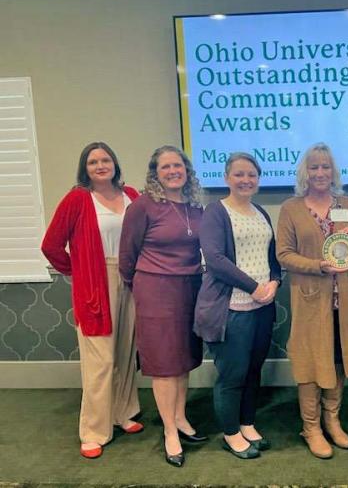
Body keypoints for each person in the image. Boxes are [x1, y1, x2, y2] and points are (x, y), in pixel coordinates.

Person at [41, 141, 143, 459]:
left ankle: (123, 413)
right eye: (93, 162)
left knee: (126, 351)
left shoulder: (133, 196)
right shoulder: (77, 199)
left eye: (105, 160)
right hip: (96, 284)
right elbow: (51, 245)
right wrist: (79, 271)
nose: (100, 166)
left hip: (132, 279)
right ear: (85, 168)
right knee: (101, 361)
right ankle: (94, 430)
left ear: (115, 163)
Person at [277, 142, 348, 459]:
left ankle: (332, 419)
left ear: (333, 171)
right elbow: (284, 255)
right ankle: (311, 427)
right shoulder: (291, 208)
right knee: (310, 362)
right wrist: (318, 265)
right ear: (306, 172)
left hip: (345, 300)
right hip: (310, 300)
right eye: (314, 167)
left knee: (339, 357)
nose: (320, 172)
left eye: (325, 166)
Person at [119, 145, 208, 468]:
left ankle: (181, 418)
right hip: (156, 290)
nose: (173, 171)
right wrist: (142, 286)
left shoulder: (197, 207)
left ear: (187, 170)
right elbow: (127, 257)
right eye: (165, 167)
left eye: (178, 165)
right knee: (165, 363)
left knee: (183, 359)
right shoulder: (143, 206)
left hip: (191, 288)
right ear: (155, 173)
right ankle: (170, 430)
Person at [194, 153, 281, 460]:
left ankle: (247, 422)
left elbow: (273, 259)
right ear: (226, 177)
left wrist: (274, 282)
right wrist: (254, 287)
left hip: (262, 307)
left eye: (252, 175)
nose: (246, 180)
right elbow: (216, 261)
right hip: (230, 309)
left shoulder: (261, 212)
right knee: (233, 374)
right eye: (239, 174)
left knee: (253, 370)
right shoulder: (216, 212)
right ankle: (231, 433)